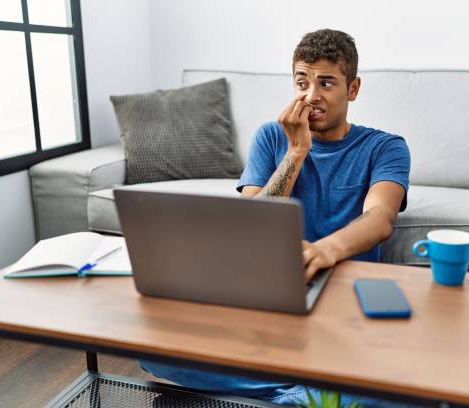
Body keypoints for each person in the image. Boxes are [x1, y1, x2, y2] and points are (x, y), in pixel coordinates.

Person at [141, 29, 411, 407]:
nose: (311, 96)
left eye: (327, 83)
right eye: (303, 82)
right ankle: (303, 394)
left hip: (343, 302)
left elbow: (380, 219)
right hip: (269, 300)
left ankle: (275, 391)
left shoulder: (385, 147)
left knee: (413, 394)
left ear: (353, 89)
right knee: (153, 350)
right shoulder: (271, 137)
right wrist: (296, 152)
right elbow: (250, 224)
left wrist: (322, 251)